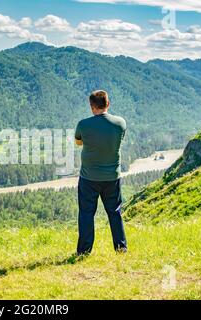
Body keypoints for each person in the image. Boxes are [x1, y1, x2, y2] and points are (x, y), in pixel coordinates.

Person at [75, 90, 127, 255]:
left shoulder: (83, 124)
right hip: (112, 177)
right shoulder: (120, 123)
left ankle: (84, 251)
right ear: (108, 104)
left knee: (86, 214)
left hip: (88, 178)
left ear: (92, 107)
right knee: (115, 212)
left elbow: (78, 142)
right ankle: (121, 248)